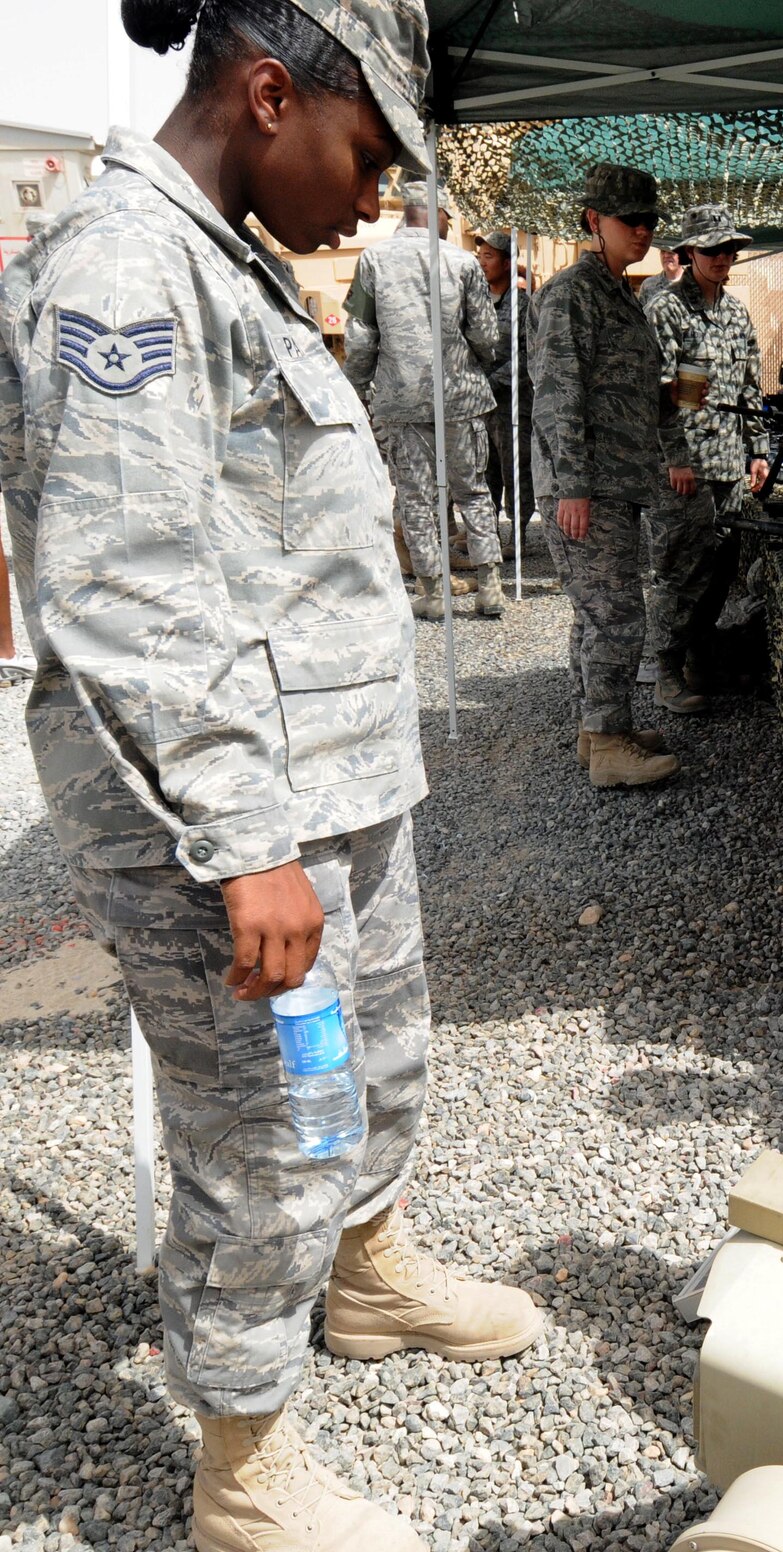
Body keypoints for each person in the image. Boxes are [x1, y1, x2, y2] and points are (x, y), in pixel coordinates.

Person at [0, 3, 544, 1548]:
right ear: (263, 95)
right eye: (366, 153)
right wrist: (245, 843)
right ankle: (244, 1467)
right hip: (236, 821)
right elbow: (130, 582)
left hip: (332, 784)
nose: (375, 196)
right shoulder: (125, 266)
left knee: (370, 1069)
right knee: (266, 1129)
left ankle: (360, 1280)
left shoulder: (223, 247)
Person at [529, 161, 682, 788]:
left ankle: (598, 730)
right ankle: (612, 740)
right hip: (589, 485)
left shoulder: (620, 290)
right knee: (619, 615)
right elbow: (558, 393)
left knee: (596, 614)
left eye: (650, 222)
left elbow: (620, 384)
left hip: (618, 480)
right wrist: (573, 487)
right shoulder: (573, 292)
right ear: (595, 221)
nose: (642, 232)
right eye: (630, 221)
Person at [343, 179, 505, 618]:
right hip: (460, 397)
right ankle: (490, 587)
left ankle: (432, 592)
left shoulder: (372, 259)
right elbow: (486, 334)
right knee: (473, 491)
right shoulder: (462, 262)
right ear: (439, 214)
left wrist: (357, 388)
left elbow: (360, 338)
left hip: (401, 399)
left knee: (415, 497)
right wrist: (478, 365)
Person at [641, 203, 771, 715]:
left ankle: (698, 660)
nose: (724, 258)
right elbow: (659, 393)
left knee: (720, 570)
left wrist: (758, 450)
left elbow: (751, 386)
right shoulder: (667, 310)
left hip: (729, 464)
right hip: (686, 468)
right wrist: (675, 457)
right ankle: (665, 669)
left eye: (730, 249)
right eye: (713, 249)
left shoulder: (737, 312)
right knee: (678, 570)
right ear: (689, 253)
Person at [475, 227, 532, 548]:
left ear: (508, 262)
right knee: (485, 471)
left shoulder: (522, 305)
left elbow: (527, 356)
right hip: (481, 405)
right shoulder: (477, 302)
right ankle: (489, 531)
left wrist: (490, 382)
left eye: (490, 256)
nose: (483, 262)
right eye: (480, 256)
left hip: (512, 403)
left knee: (517, 470)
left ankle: (519, 534)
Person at [637, 235, 684, 314]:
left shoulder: (694, 282)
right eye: (662, 251)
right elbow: (640, 317)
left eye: (670, 252)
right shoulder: (648, 285)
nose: (665, 255)